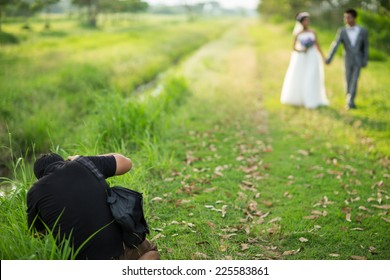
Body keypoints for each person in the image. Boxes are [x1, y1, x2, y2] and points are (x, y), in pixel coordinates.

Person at [27, 152, 160, 260]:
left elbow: (37, 235)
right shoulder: (82, 164)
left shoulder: (34, 192)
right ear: (65, 162)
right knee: (150, 252)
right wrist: (80, 158)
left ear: (39, 177)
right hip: (117, 250)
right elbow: (126, 163)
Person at [281, 12, 329, 109]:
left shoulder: (313, 32)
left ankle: (312, 99)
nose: (307, 22)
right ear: (301, 22)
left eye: (308, 20)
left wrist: (323, 57)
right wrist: (302, 50)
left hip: (312, 57)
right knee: (301, 76)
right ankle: (301, 98)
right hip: (302, 58)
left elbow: (317, 45)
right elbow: (294, 48)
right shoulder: (297, 34)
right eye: (305, 20)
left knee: (311, 77)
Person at [325, 8, 369, 109]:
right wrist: (329, 58)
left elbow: (365, 47)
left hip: (358, 59)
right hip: (347, 59)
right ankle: (349, 99)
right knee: (347, 80)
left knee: (355, 80)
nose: (346, 19)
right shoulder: (342, 31)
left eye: (348, 17)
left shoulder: (363, 31)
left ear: (354, 18)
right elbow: (335, 45)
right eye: (345, 17)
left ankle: (350, 101)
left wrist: (365, 60)